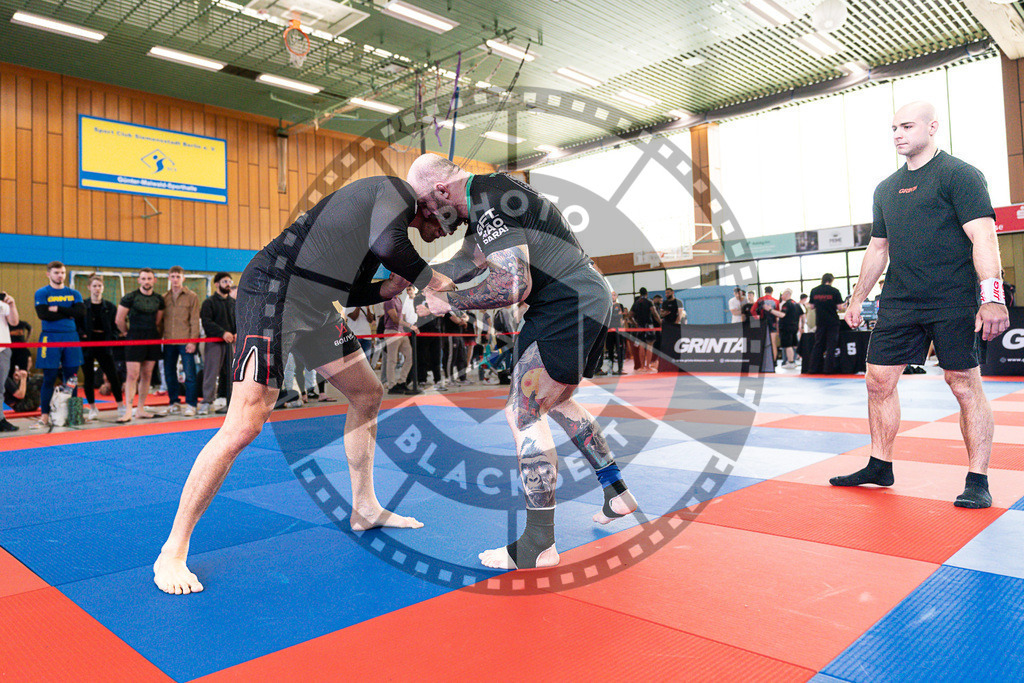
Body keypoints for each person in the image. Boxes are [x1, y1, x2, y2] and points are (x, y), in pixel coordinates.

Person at [154, 176, 453, 594]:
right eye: (452, 216)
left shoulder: (383, 228)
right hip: (274, 291)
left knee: (367, 393)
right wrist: (432, 279)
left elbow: (349, 292)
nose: (452, 228)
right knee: (244, 424)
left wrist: (385, 288)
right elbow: (393, 250)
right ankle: (172, 550)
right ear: (435, 195)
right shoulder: (395, 194)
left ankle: (365, 507)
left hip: (314, 307)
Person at [408, 154, 638, 571]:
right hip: (585, 297)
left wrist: (451, 300)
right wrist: (414, 277)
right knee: (560, 402)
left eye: (426, 205)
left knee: (523, 413)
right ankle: (616, 492)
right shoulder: (488, 197)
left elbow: (514, 283)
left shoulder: (490, 201)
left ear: (441, 191)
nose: (427, 217)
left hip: (565, 304)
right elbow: (466, 261)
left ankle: (538, 544)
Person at [831, 101, 1010, 508]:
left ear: (932, 127)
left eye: (907, 126)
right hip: (900, 299)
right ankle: (880, 464)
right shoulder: (885, 189)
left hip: (953, 297)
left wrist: (992, 298)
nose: (898, 133)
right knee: (878, 380)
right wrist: (857, 298)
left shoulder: (959, 175)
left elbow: (984, 236)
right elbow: (878, 248)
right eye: (893, 127)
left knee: (963, 383)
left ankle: (977, 479)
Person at [33, 261, 83, 430]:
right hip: (50, 338)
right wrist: (68, 312)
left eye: (62, 272)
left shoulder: (74, 293)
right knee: (49, 377)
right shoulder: (42, 292)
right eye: (56, 273)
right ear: (49, 274)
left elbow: (80, 313)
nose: (60, 276)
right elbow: (43, 314)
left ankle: (73, 415)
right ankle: (44, 416)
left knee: (72, 378)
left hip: (71, 337)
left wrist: (57, 309)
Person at [116, 268, 165, 422]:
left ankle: (141, 408)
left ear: (154, 280)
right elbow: (119, 319)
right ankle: (128, 410)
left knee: (147, 374)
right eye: (143, 279)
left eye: (149, 278)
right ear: (139, 280)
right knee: (132, 375)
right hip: (134, 337)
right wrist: (126, 333)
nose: (146, 282)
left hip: (151, 337)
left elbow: (158, 320)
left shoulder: (158, 299)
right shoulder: (130, 297)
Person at [81, 275, 125, 422]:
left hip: (104, 344)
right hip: (87, 344)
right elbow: (78, 325)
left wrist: (112, 338)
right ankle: (92, 408)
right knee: (88, 378)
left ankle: (120, 405)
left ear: (103, 288)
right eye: (94, 286)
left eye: (99, 286)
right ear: (89, 288)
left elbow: (116, 327)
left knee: (113, 376)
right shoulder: (83, 305)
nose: (97, 289)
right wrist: (83, 336)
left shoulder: (110, 307)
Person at [163, 266, 202, 417]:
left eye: (178, 276)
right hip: (168, 342)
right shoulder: (164, 297)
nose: (175, 279)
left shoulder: (192, 296)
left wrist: (193, 341)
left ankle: (191, 404)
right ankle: (174, 402)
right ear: (169, 278)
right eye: (172, 276)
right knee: (169, 373)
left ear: (183, 278)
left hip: (186, 341)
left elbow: (194, 320)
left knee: (190, 374)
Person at [199, 273, 236, 415]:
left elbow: (238, 320)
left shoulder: (233, 303)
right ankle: (207, 402)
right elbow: (207, 322)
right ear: (216, 284)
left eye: (229, 281)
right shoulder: (209, 303)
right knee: (211, 373)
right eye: (225, 281)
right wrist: (222, 333)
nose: (228, 284)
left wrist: (236, 332)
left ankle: (231, 401)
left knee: (231, 373)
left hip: (230, 343)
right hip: (214, 343)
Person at [807, 274, 845, 374]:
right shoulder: (835, 291)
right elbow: (840, 307)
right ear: (831, 280)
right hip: (833, 322)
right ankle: (828, 370)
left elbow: (811, 306)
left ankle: (812, 369)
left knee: (818, 344)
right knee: (831, 346)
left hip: (820, 321)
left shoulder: (814, 290)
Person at [384, 289, 419, 395]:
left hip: (401, 331)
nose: (403, 289)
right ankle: (391, 385)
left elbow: (401, 316)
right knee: (392, 360)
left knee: (410, 357)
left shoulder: (398, 299)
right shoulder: (389, 300)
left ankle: (401, 382)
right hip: (392, 331)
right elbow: (394, 318)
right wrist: (410, 325)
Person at [0, 289, 20, 432]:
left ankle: (0, 419)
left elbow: (14, 322)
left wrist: (12, 305)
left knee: (0, 387)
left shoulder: (3, 303)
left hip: (2, 349)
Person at [630, 287, 660, 372]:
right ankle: (647, 366)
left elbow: (630, 315)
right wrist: (660, 322)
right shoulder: (649, 302)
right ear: (646, 293)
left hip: (640, 326)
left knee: (641, 346)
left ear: (640, 294)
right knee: (650, 346)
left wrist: (635, 323)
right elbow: (654, 313)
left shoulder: (636, 303)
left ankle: (642, 366)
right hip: (649, 326)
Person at [773, 288, 802, 367]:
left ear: (787, 295)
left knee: (788, 345)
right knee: (793, 345)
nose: (782, 296)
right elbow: (801, 315)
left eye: (783, 294)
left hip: (786, 328)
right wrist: (800, 325)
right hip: (794, 327)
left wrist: (770, 310)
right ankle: (793, 361)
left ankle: (791, 362)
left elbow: (782, 315)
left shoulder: (787, 304)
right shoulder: (796, 304)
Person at [755, 286, 780, 363]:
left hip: (762, 325)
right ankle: (774, 362)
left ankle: (763, 362)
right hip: (772, 324)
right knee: (773, 344)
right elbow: (777, 316)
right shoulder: (776, 301)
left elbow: (756, 314)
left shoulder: (760, 301)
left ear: (765, 291)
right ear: (772, 292)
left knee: (762, 344)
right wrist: (778, 329)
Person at [606, 291, 624, 375]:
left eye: (614, 295)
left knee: (619, 349)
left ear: (616, 296)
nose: (612, 296)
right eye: (611, 295)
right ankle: (610, 369)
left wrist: (615, 315)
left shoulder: (619, 306)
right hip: (609, 331)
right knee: (610, 350)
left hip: (618, 331)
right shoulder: (608, 306)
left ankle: (620, 368)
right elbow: (608, 317)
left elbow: (620, 317)